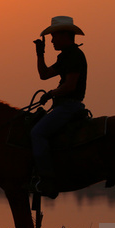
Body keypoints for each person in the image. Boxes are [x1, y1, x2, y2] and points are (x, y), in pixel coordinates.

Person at [31, 16, 87, 198]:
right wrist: (40, 54)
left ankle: (47, 179)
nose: (52, 40)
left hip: (68, 106)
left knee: (37, 133)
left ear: (65, 35)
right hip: (64, 105)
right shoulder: (66, 56)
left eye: (54, 36)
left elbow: (70, 85)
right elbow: (44, 74)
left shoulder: (73, 55)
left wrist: (51, 93)